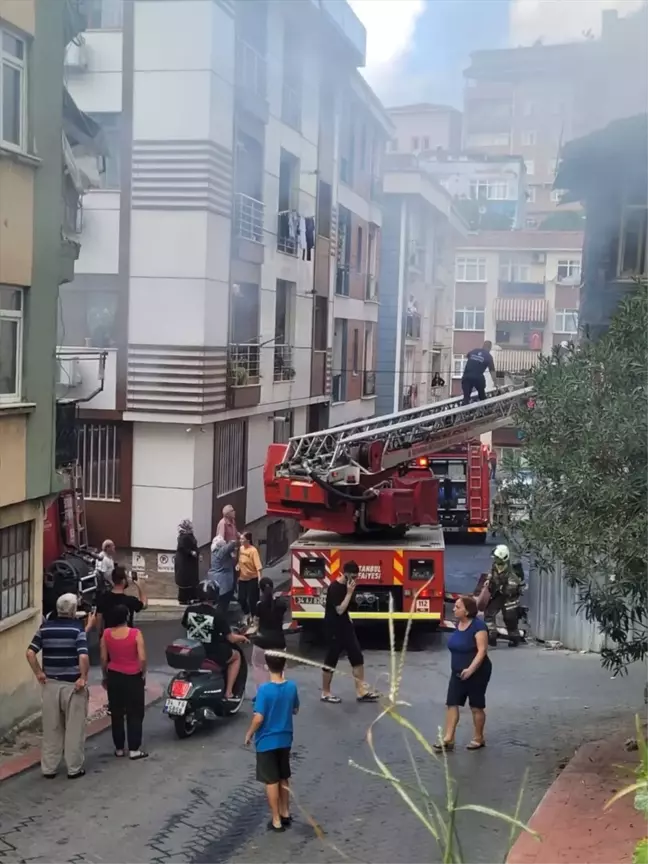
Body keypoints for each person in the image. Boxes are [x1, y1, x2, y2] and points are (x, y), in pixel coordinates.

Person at [26, 593, 90, 779]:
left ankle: (49, 767)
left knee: (52, 728)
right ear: (72, 611)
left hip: (50, 685)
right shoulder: (77, 630)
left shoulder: (45, 628)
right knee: (74, 728)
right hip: (72, 686)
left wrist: (39, 673)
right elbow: (83, 656)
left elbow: (30, 653)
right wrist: (83, 677)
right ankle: (74, 768)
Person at [244, 653, 300, 832]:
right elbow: (295, 709)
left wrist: (249, 733)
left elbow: (259, 717)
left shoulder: (264, 690)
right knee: (284, 776)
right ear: (284, 664)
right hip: (285, 739)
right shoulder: (291, 687)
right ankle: (285, 812)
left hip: (267, 741)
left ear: (267, 667)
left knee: (271, 780)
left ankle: (276, 819)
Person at [433, 595, 491, 753]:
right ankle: (448, 738)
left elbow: (482, 651)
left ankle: (479, 737)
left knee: (476, 706)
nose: (453, 609)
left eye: (457, 607)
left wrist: (471, 670)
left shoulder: (479, 627)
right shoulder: (459, 625)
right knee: (452, 703)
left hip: (477, 671)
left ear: (467, 611)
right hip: (457, 672)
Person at [321, 560, 379, 704]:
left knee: (357, 657)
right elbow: (339, 610)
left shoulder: (349, 587)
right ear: (345, 574)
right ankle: (325, 692)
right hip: (334, 627)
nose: (354, 580)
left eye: (356, 577)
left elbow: (349, 608)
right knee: (331, 660)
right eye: (352, 576)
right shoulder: (335, 587)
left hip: (346, 626)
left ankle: (361, 691)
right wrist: (349, 593)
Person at [181, 581, 248, 699]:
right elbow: (231, 638)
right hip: (212, 652)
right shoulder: (217, 614)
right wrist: (243, 637)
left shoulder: (189, 610)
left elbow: (185, 625)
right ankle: (228, 692)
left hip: (194, 651)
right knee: (236, 656)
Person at [100, 604, 148, 760]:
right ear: (126, 617)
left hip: (114, 675)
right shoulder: (135, 633)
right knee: (135, 712)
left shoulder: (106, 634)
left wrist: (105, 676)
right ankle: (134, 748)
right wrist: (143, 672)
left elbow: (103, 658)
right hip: (133, 676)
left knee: (117, 712)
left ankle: (119, 748)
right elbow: (142, 657)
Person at [251, 577, 288, 692]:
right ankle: (278, 693)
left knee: (259, 667)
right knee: (278, 670)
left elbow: (255, 624)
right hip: (279, 642)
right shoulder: (282, 604)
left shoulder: (259, 605)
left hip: (262, 642)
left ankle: (261, 695)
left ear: (260, 590)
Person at [484, 544, 525, 647]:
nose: (496, 560)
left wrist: (503, 588)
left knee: (510, 618)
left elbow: (513, 586)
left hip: (510, 598)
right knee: (489, 614)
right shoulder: (495, 565)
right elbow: (491, 573)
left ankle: (514, 639)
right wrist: (489, 581)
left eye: (497, 558)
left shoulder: (511, 571)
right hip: (498, 594)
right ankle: (491, 635)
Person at [96, 565, 147, 632]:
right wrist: (140, 586)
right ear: (123, 581)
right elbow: (144, 605)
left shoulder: (103, 598)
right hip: (127, 638)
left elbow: (99, 619)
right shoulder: (130, 600)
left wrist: (101, 635)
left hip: (109, 636)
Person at [209, 534, 239, 615]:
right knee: (223, 603)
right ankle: (219, 620)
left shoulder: (214, 551)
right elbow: (232, 544)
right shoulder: (221, 551)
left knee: (220, 602)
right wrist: (237, 537)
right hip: (223, 581)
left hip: (216, 579)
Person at [238, 532, 262, 625]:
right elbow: (240, 560)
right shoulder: (241, 549)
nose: (240, 541)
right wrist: (237, 565)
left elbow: (258, 566)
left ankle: (255, 616)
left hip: (252, 578)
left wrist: (260, 579)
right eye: (240, 539)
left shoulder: (253, 551)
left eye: (242, 539)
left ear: (247, 540)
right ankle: (247, 613)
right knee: (241, 598)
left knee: (253, 600)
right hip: (242, 578)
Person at [461, 341, 495, 405]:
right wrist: (496, 382)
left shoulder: (475, 350)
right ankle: (484, 407)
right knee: (482, 395)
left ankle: (463, 409)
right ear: (490, 348)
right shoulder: (489, 356)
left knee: (466, 397)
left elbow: (467, 355)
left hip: (466, 376)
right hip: (478, 378)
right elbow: (492, 370)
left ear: (483, 346)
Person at [174, 519, 199, 605]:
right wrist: (191, 552)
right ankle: (184, 599)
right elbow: (182, 548)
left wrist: (197, 553)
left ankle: (192, 597)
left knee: (191, 579)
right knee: (185, 579)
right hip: (184, 562)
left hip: (190, 562)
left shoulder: (190, 534)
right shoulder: (182, 536)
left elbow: (194, 545)